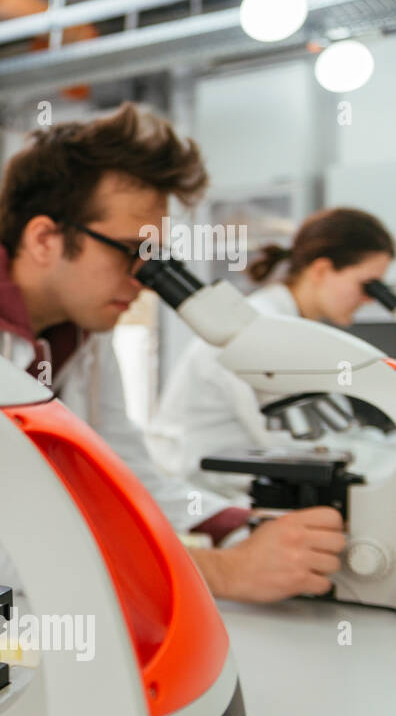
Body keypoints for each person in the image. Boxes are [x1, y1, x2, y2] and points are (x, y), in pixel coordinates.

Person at [0, 103, 346, 604]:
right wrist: (218, 572)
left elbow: (124, 475)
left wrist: (242, 527)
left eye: (155, 258)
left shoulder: (83, 331)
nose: (144, 280)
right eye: (131, 252)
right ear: (45, 238)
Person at [149, 207, 396, 498]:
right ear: (321, 270)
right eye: (368, 285)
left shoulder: (296, 331)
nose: (370, 300)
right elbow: (302, 447)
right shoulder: (261, 329)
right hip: (205, 500)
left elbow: (335, 434)